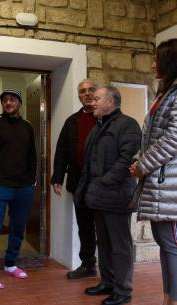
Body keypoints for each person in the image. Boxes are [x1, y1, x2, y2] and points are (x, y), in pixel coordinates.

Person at [74, 86, 141, 305]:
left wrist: (104, 182)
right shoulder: (98, 127)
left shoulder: (128, 125)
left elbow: (127, 161)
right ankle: (108, 283)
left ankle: (123, 291)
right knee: (103, 243)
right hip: (99, 196)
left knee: (120, 247)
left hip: (117, 197)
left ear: (111, 102)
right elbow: (90, 163)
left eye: (97, 98)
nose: (92, 101)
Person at [130, 39, 177, 305]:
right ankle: (167, 298)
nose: (151, 64)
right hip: (160, 182)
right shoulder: (165, 94)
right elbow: (149, 137)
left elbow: (172, 140)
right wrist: (139, 160)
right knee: (166, 246)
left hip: (169, 184)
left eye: (156, 59)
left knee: (172, 247)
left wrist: (143, 165)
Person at [0, 88, 36, 289]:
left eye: (12, 100)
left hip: (23, 188)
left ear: (19, 103)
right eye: (5, 100)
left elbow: (32, 157)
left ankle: (11, 264)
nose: (8, 103)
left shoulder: (28, 127)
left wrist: (32, 182)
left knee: (18, 228)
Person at [50, 79, 98, 279]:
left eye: (90, 90)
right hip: (79, 183)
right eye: (83, 91)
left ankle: (112, 271)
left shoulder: (105, 118)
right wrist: (57, 177)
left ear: (97, 92)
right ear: (79, 96)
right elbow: (61, 150)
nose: (87, 94)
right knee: (85, 227)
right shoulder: (72, 121)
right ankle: (88, 265)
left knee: (105, 228)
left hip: (103, 184)